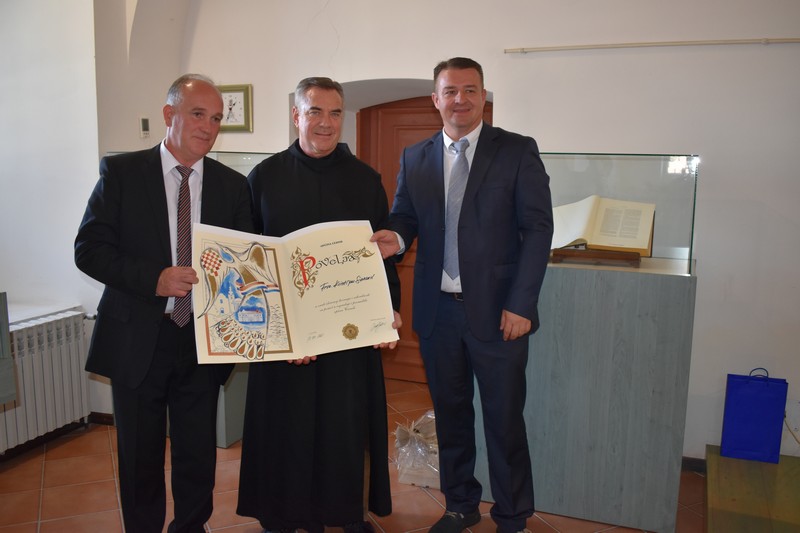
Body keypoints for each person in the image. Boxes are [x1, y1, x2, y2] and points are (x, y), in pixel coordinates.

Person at [371, 57, 554, 533]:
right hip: (438, 315)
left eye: (470, 90)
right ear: (435, 99)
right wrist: (396, 237)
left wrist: (522, 304)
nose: (460, 99)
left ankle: (512, 516)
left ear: (483, 97)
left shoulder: (516, 150)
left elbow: (538, 230)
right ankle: (460, 505)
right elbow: (405, 215)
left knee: (504, 420)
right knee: (451, 417)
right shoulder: (416, 156)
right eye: (450, 91)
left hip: (499, 314)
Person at [75, 74, 254, 533]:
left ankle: (191, 527)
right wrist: (154, 279)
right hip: (137, 341)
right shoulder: (122, 173)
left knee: (198, 456)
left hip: (202, 344)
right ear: (169, 114)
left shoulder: (233, 186)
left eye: (217, 118)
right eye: (198, 114)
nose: (209, 127)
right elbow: (89, 250)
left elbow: (245, 265)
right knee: (140, 457)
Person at [236, 77, 401, 532]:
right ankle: (282, 514)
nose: (326, 123)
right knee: (284, 426)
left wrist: (388, 309)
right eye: (315, 111)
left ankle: (345, 512)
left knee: (344, 427)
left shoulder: (366, 180)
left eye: (334, 113)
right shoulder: (264, 177)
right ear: (296, 116)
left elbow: (381, 254)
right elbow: (248, 262)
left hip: (347, 336)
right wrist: (275, 328)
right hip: (285, 336)